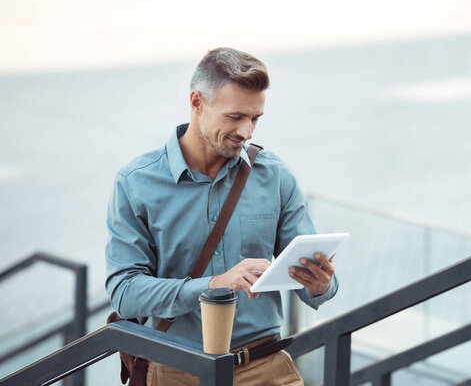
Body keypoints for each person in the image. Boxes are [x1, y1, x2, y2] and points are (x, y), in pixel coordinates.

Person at [105, 47, 338, 386]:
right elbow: (125, 292)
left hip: (266, 367)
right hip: (175, 371)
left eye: (255, 118)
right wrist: (213, 285)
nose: (247, 132)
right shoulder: (136, 183)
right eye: (235, 117)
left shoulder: (274, 176)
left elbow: (309, 279)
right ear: (197, 102)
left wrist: (321, 284)